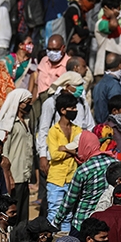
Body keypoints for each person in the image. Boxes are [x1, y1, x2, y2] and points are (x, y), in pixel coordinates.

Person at [46, 93, 83, 233]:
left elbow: (81, 151)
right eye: (71, 107)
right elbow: (54, 155)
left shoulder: (77, 129)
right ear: (62, 110)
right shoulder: (53, 131)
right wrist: (72, 151)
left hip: (72, 178)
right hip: (56, 179)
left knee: (68, 216)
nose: (74, 110)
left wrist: (65, 149)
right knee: (54, 213)